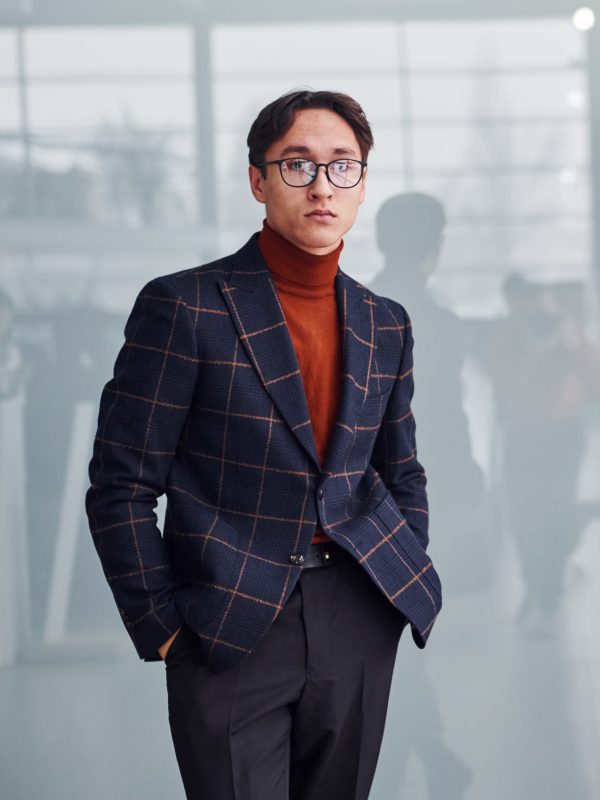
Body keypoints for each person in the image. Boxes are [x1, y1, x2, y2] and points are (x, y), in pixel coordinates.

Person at [85, 89, 442, 800]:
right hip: (227, 620)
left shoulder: (385, 322)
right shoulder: (184, 305)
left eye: (343, 167)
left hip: (357, 610)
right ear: (258, 180)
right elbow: (121, 486)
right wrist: (163, 628)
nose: (321, 186)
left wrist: (391, 593)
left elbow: (399, 469)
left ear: (362, 185)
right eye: (297, 165)